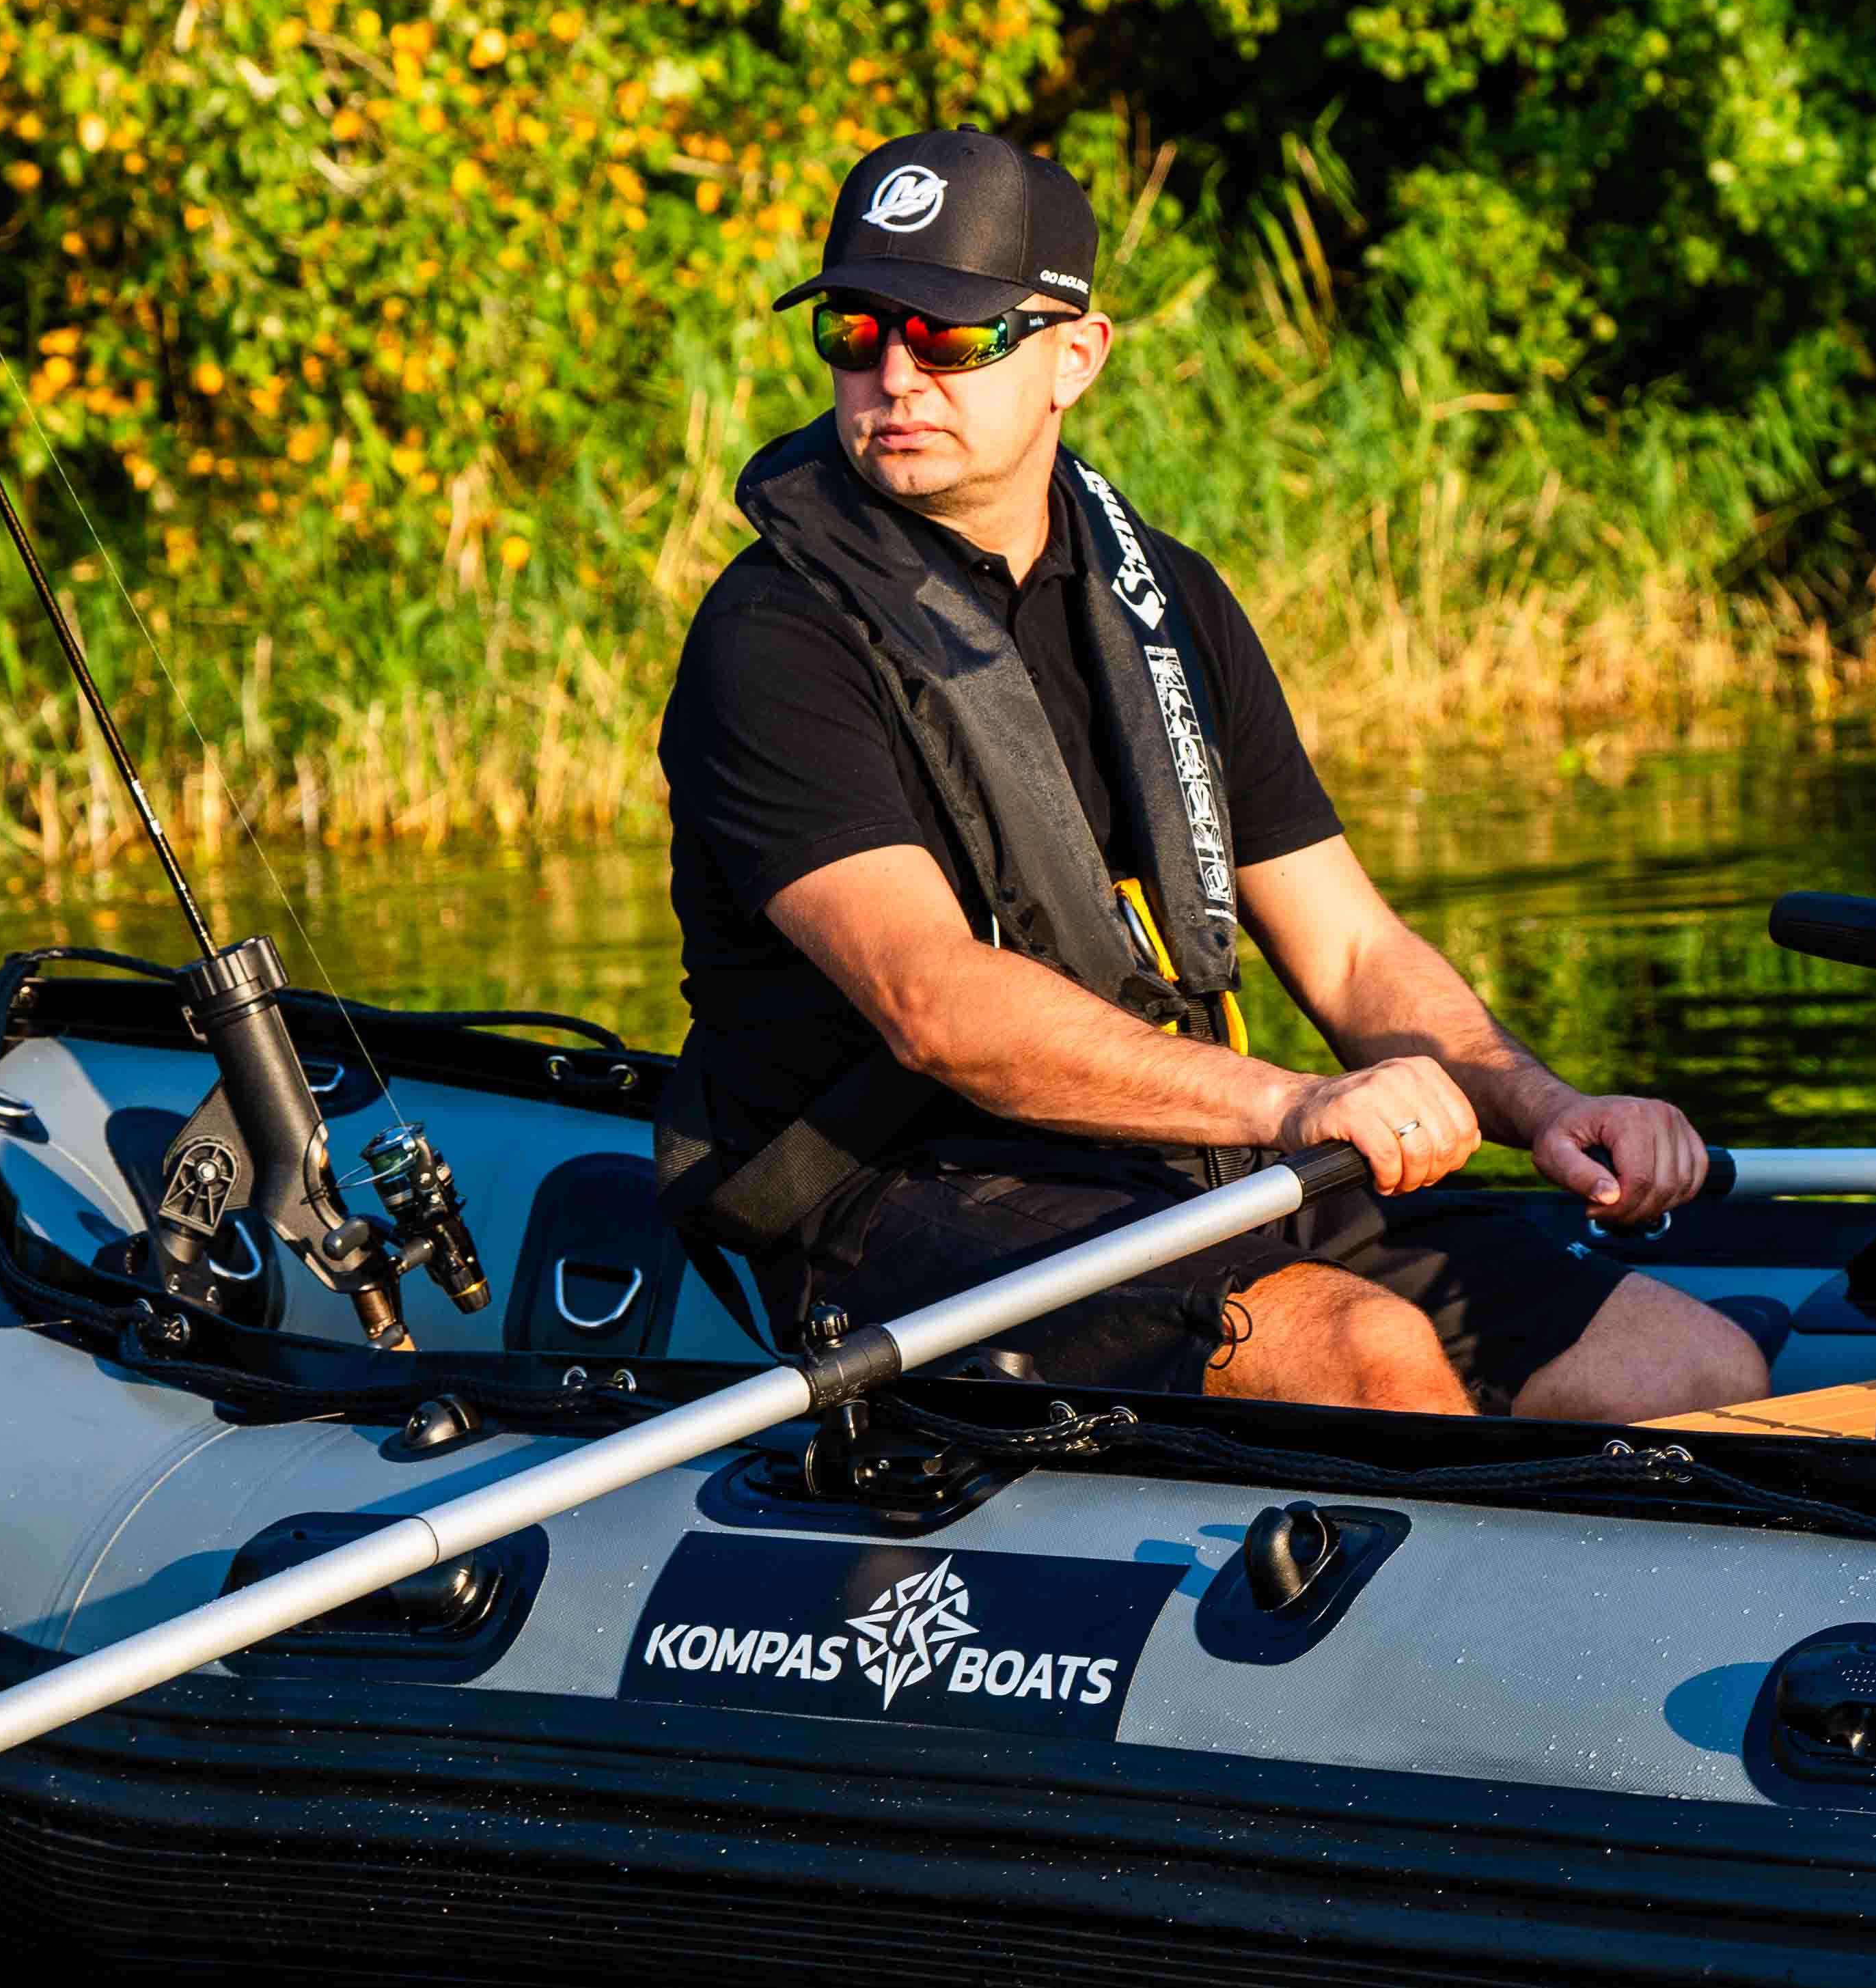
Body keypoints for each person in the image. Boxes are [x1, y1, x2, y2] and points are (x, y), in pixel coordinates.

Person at [652, 129, 1775, 1421]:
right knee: (1364, 1358)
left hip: (1174, 1163)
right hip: (902, 1195)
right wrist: (1298, 1102)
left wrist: (1546, 1103)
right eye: (856, 332)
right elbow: (935, 1005)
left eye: (953, 338)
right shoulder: (773, 638)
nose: (897, 376)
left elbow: (1350, 951)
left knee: (1692, 1367)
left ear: (1075, 357)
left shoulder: (1163, 598)